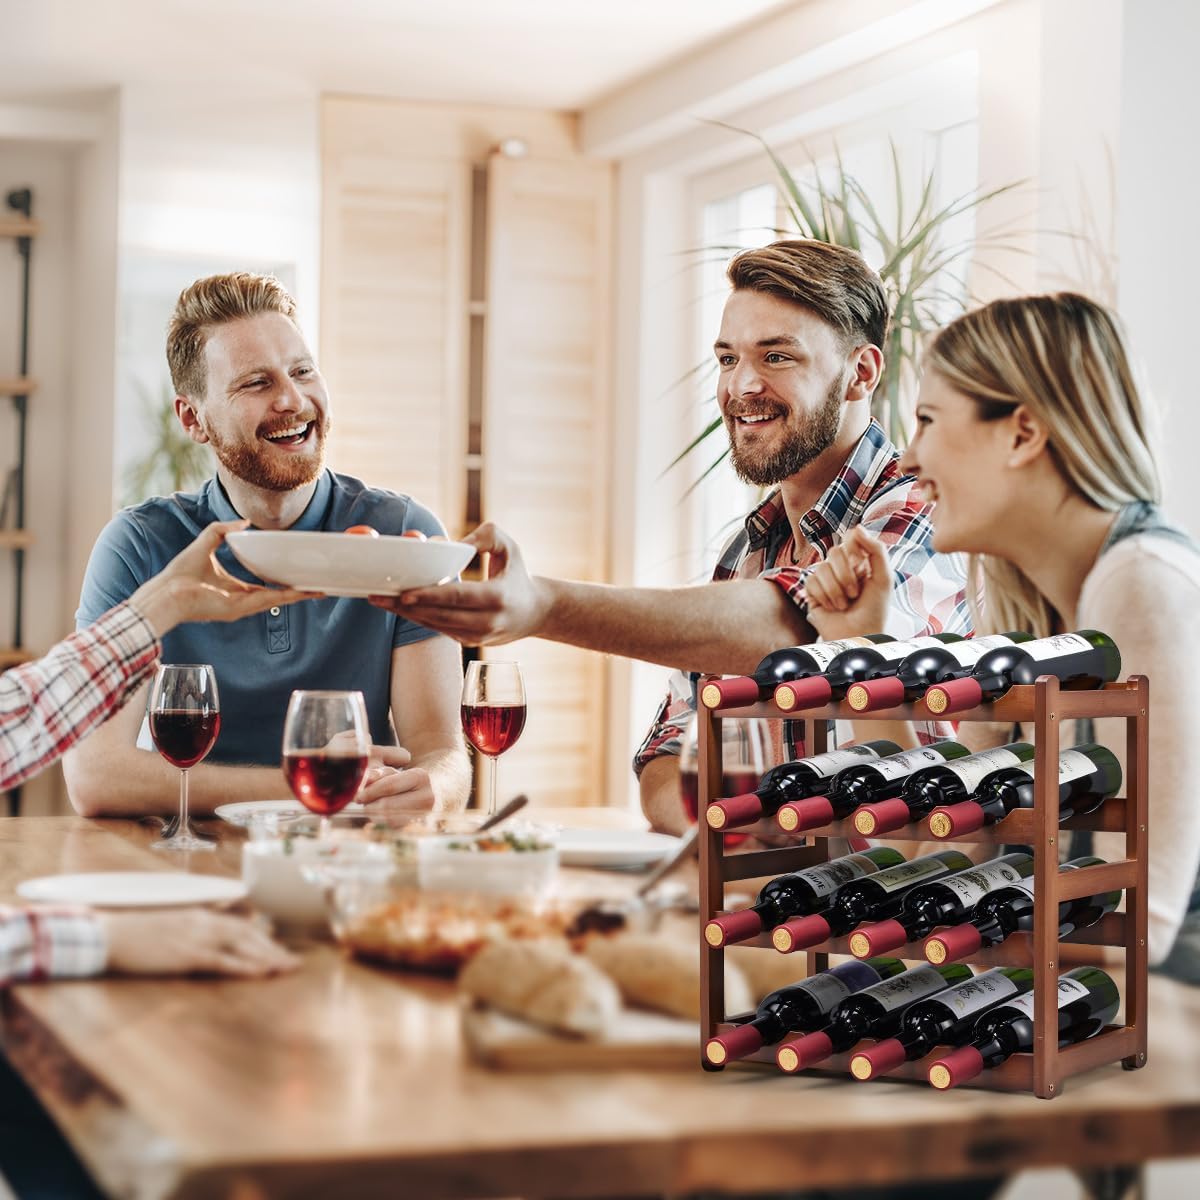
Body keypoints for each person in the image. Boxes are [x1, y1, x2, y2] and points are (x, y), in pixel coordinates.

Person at [380, 240, 971, 833]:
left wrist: (543, 605)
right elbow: (665, 761)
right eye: (728, 358)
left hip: (904, 882)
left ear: (860, 374)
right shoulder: (750, 551)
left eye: (776, 357)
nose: (741, 386)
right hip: (776, 885)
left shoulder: (921, 512)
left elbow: (802, 628)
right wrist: (760, 838)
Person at [800, 292, 1200, 983]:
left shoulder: (1141, 581)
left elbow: (1140, 925)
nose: (910, 458)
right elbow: (949, 859)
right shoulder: (1031, 611)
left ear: (1022, 434)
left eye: (928, 420)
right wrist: (864, 652)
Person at [65, 272, 471, 819]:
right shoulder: (138, 547)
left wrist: (435, 788)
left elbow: (442, 751)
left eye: (303, 371)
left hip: (347, 851)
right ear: (193, 419)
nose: (292, 399)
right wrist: (308, 784)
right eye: (256, 383)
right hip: (189, 856)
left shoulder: (403, 534)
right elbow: (94, 774)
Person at [1, 518, 302, 982]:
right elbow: (90, 772)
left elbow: (21, 714)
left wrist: (166, 603)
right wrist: (106, 938)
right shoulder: (135, 536)